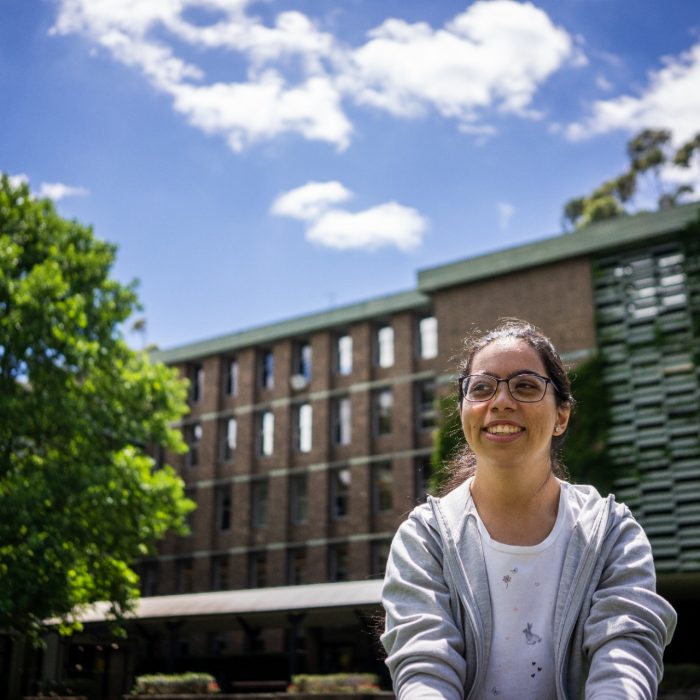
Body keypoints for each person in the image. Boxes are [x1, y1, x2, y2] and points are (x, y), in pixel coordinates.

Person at [381, 319, 676, 699]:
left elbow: (626, 654)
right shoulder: (425, 538)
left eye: (525, 386)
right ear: (463, 410)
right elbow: (424, 665)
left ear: (562, 416)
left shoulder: (612, 532)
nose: (501, 401)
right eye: (482, 388)